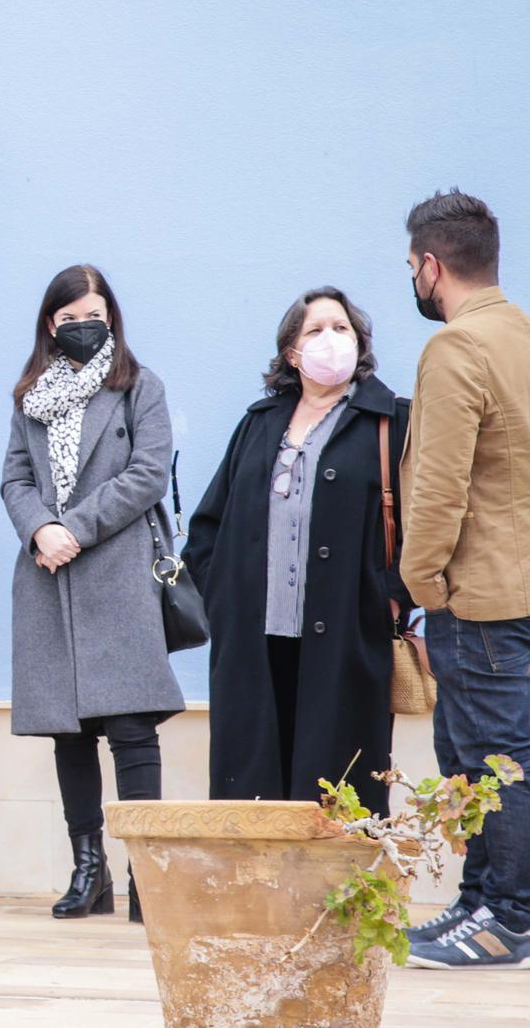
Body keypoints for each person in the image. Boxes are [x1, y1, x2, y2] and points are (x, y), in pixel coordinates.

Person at [182, 289, 410, 817]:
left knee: (339, 787)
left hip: (347, 634)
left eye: (342, 329)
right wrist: (225, 604)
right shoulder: (260, 423)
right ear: (292, 352)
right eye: (315, 330)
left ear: (359, 342)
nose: (330, 340)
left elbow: (423, 518)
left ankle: (342, 898)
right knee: (256, 785)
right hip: (254, 640)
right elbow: (208, 525)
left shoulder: (391, 420)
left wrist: (391, 599)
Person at [0, 264, 182, 923]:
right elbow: (15, 479)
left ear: (112, 316)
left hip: (117, 569)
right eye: (69, 315)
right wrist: (40, 529)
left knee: (131, 727)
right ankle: (90, 870)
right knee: (67, 733)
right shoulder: (30, 396)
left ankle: (146, 873)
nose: (82, 325)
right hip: (47, 575)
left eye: (93, 313)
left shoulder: (141, 387)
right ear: (51, 323)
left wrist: (70, 528)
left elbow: (148, 475)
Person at [396, 190, 530, 970]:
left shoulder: (456, 348)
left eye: (413, 266)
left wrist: (422, 584)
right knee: (491, 755)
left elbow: (438, 488)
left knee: (492, 761)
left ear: (431, 265)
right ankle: (479, 902)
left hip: (476, 595)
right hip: (515, 586)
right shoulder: (518, 334)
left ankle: (505, 916)